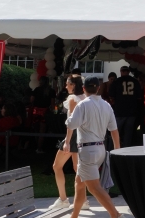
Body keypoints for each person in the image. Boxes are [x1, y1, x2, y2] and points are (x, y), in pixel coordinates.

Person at [64, 76, 123, 218]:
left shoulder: (82, 105)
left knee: (94, 187)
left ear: (84, 88)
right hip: (100, 148)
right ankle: (75, 215)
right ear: (98, 88)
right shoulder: (106, 105)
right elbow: (114, 130)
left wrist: (70, 113)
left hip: (87, 150)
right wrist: (117, 149)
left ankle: (115, 214)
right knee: (79, 183)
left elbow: (71, 124)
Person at [48, 75, 90, 210]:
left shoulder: (73, 99)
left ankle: (63, 199)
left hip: (74, 136)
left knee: (57, 166)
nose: (66, 86)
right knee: (78, 169)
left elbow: (71, 123)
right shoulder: (86, 98)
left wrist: (66, 141)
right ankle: (83, 200)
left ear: (73, 85)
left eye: (68, 84)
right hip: (84, 136)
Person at [109, 66, 142, 147]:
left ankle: (113, 147)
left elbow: (111, 96)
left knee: (115, 131)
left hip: (119, 111)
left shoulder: (116, 82)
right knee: (128, 133)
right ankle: (126, 149)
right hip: (132, 111)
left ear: (121, 72)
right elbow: (139, 97)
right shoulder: (135, 81)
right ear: (128, 72)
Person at [30, 76, 55, 153]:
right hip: (45, 111)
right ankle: (39, 148)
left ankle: (35, 145)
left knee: (36, 129)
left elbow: (31, 100)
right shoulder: (51, 90)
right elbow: (52, 103)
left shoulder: (36, 89)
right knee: (42, 131)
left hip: (36, 110)